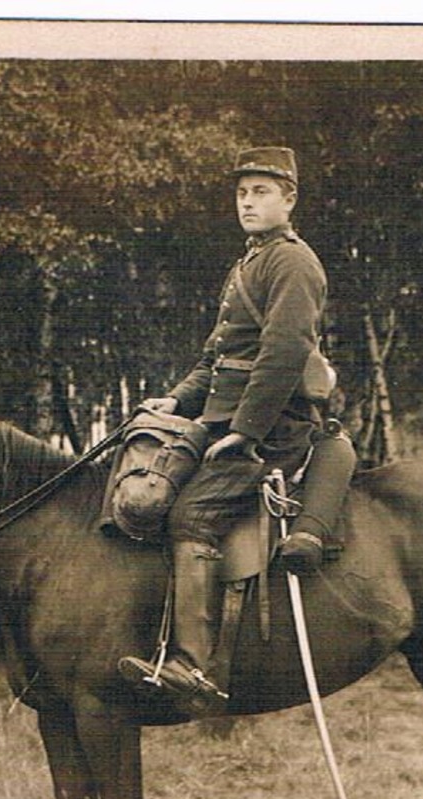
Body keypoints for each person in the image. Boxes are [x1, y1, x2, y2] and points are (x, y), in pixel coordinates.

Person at [118, 146, 330, 712]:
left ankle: (194, 661)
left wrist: (246, 432)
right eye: (241, 193)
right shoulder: (248, 264)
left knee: (193, 516)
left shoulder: (292, 262)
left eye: (261, 191)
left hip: (277, 429)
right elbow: (217, 358)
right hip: (221, 420)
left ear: (289, 199)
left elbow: (285, 353)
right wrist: (176, 399)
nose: (247, 202)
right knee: (144, 488)